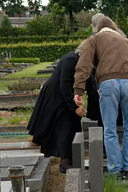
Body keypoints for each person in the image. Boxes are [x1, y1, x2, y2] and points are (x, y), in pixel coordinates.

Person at [73, 16, 128, 179]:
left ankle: (115, 169)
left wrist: (78, 90)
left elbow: (84, 65)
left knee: (110, 129)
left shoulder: (95, 39)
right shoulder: (126, 41)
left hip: (108, 83)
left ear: (98, 27)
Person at [27, 41, 96, 173]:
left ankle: (70, 158)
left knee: (73, 125)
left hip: (67, 96)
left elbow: (88, 83)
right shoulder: (71, 59)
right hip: (56, 96)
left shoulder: (83, 62)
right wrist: (74, 107)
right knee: (66, 126)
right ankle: (64, 162)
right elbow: (64, 84)